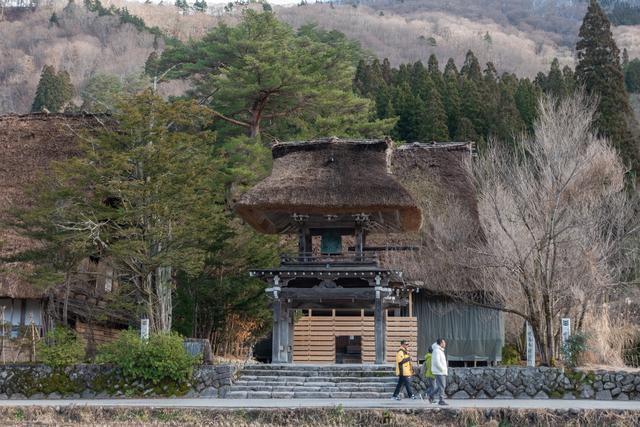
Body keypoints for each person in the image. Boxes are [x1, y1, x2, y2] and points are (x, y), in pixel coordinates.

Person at [427, 338, 448, 405]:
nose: (445, 344)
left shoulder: (440, 350)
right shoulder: (437, 351)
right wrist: (442, 369)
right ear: (441, 343)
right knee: (442, 386)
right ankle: (441, 400)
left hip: (441, 371)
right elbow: (436, 362)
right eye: (444, 342)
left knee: (440, 386)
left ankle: (431, 395)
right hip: (439, 371)